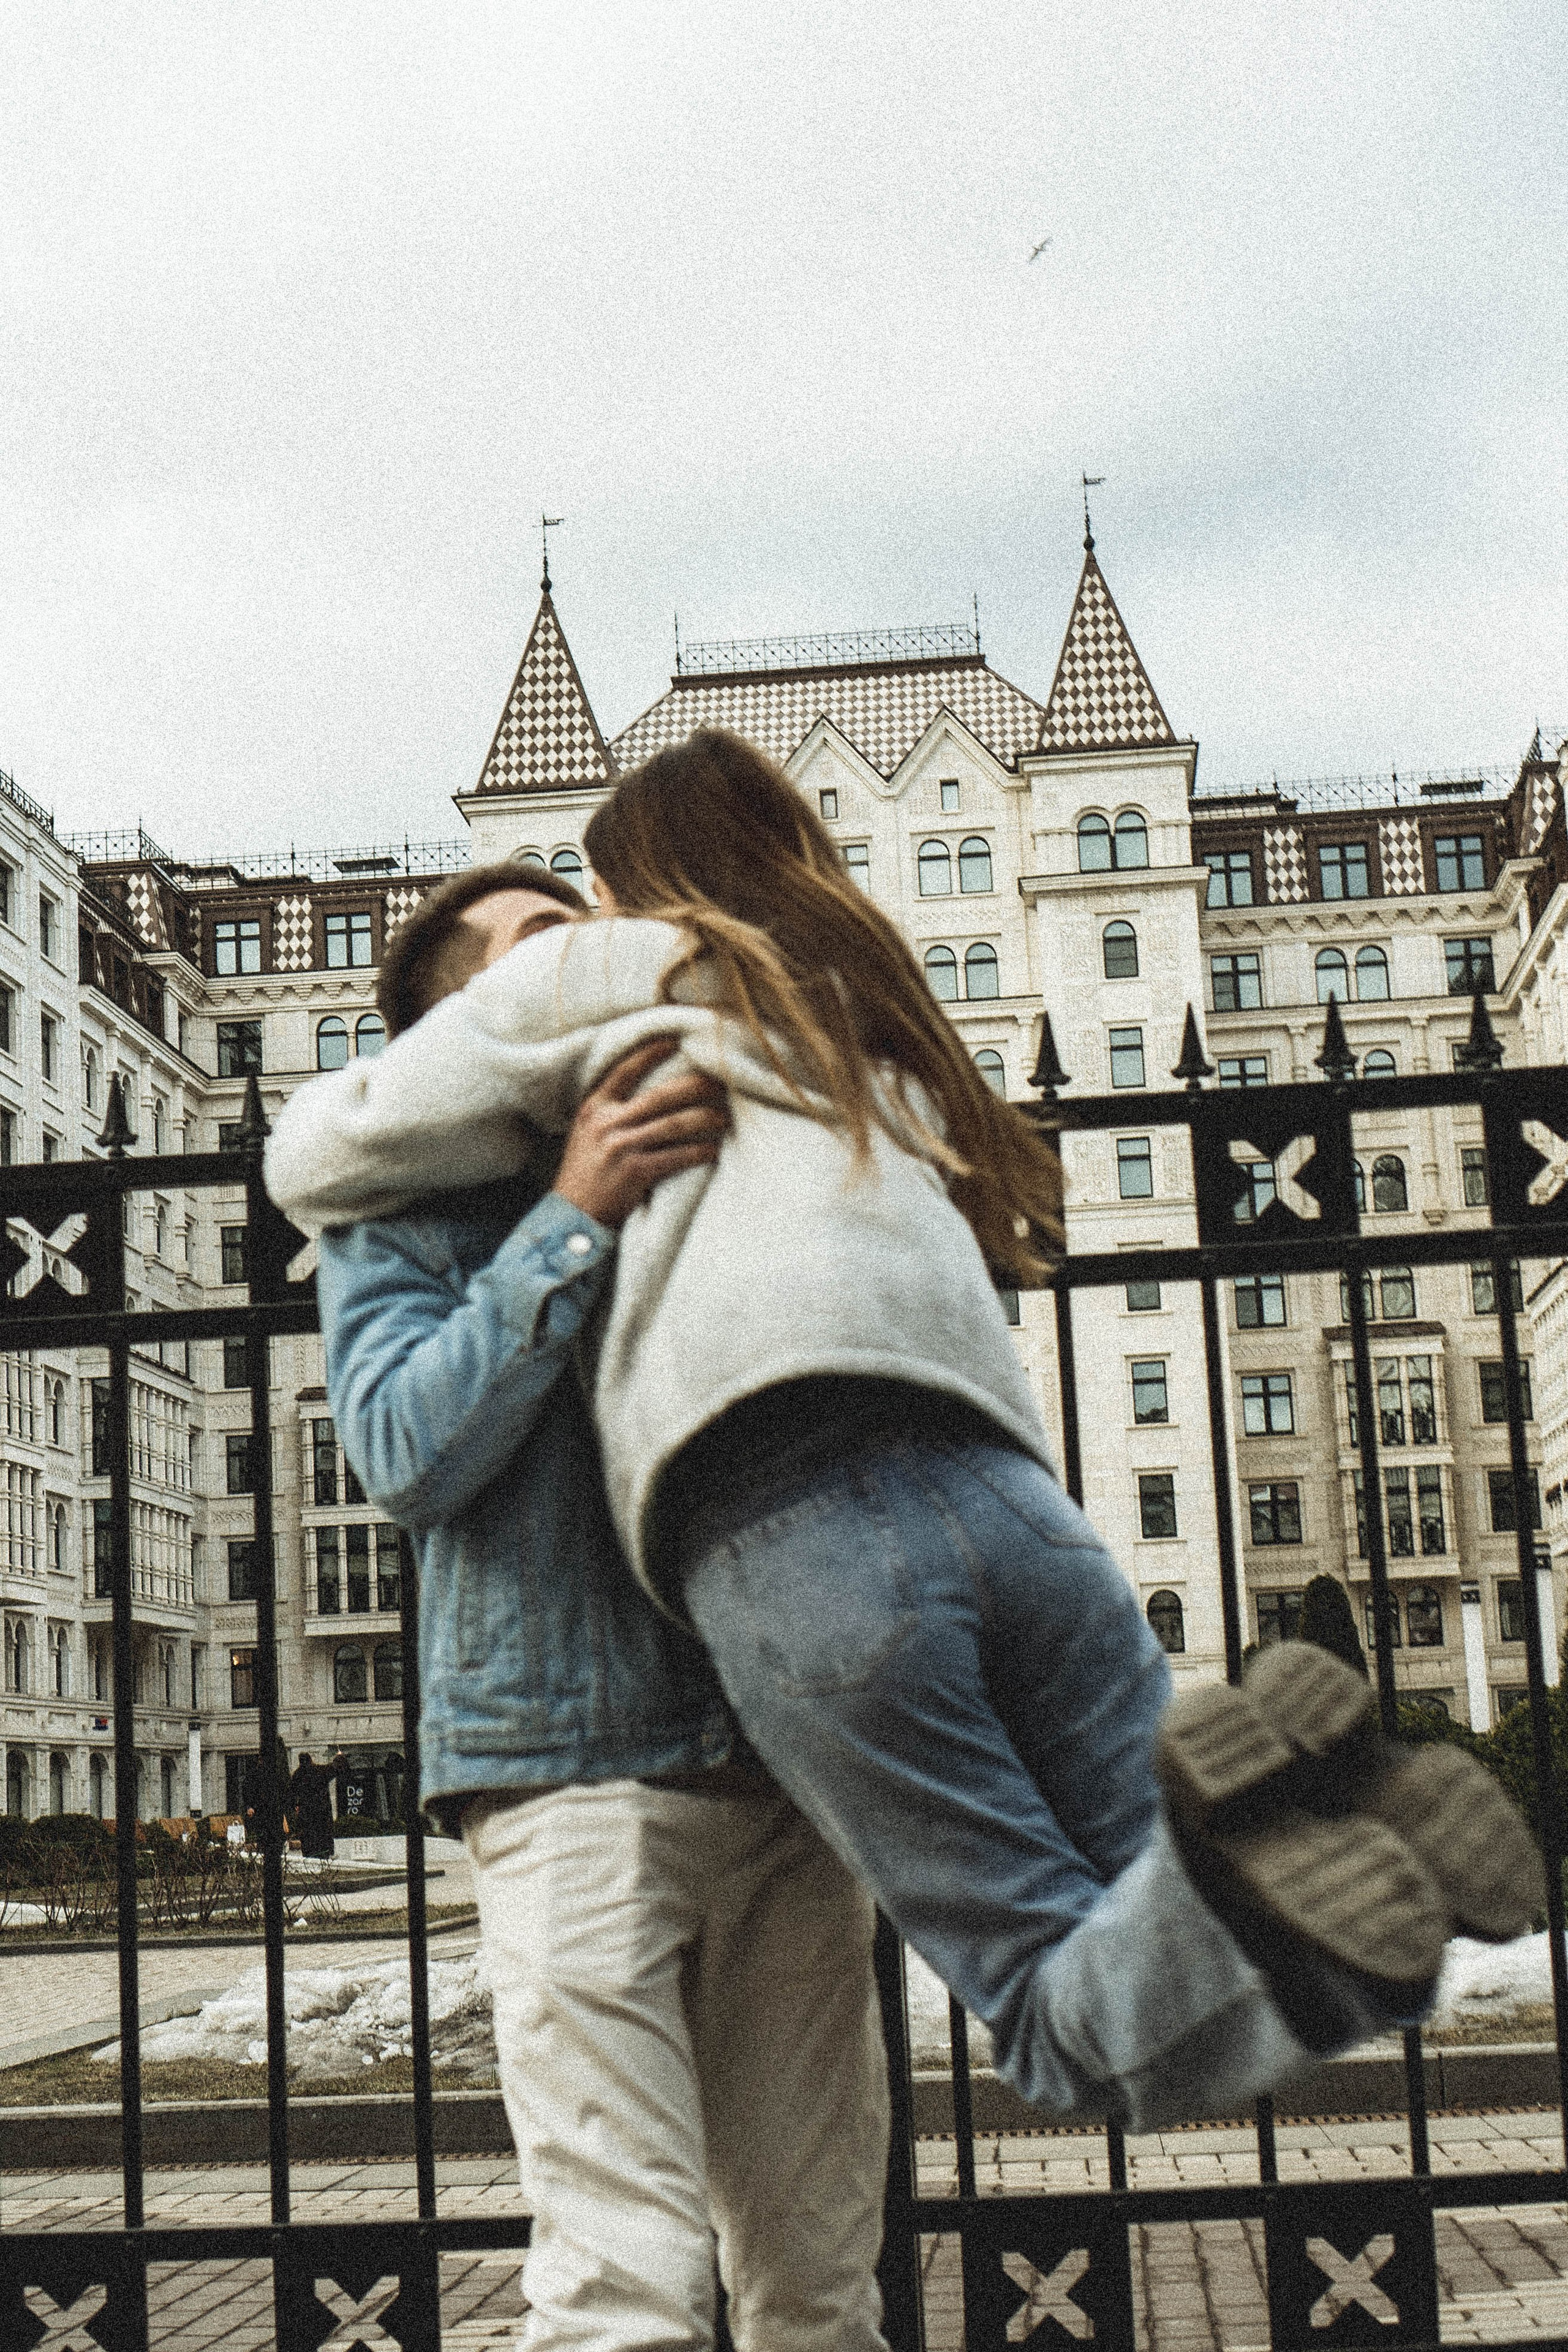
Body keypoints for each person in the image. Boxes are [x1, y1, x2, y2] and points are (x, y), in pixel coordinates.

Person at [269, 731, 1541, 2133]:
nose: (581, 925)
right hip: (1012, 1507)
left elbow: (315, 1151)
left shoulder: (620, 971)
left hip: (792, 1534)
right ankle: (1341, 1847)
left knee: (1052, 2016)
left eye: (596, 889)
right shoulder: (871, 1025)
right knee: (1161, 1919)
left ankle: (1246, 1881)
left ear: (649, 883)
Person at [311, 861, 891, 2352]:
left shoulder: (728, 1146)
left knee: (820, 2280)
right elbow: (407, 1454)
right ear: (457, 1022)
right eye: (536, 945)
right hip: (567, 1776)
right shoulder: (393, 1208)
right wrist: (573, 1209)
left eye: (591, 929)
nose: (589, 955)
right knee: (622, 2286)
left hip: (779, 1771)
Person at [288, 1751, 336, 1860]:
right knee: (323, 1841)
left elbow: (290, 1794)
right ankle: (325, 1855)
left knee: (309, 1844)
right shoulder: (320, 1771)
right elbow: (335, 1768)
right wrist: (339, 1757)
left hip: (307, 1816)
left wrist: (295, 1806)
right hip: (322, 1814)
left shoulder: (297, 1775)